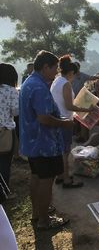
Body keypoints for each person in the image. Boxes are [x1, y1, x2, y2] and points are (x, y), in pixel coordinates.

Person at [19, 50, 72, 230]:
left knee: (36, 177)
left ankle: (37, 214)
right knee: (46, 181)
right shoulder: (39, 87)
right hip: (44, 144)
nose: (56, 72)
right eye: (54, 68)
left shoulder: (29, 82)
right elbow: (44, 118)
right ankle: (44, 221)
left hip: (32, 143)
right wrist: (65, 123)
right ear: (45, 67)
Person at [51, 55, 93, 188]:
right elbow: (69, 106)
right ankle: (67, 180)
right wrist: (86, 108)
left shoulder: (56, 80)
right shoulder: (66, 84)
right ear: (70, 73)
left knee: (59, 150)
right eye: (75, 75)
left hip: (57, 119)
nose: (74, 78)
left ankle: (60, 175)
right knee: (65, 151)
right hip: (65, 121)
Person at [0, 63, 19, 190]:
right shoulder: (12, 91)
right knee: (4, 163)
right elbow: (16, 112)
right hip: (5, 132)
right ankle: (3, 192)